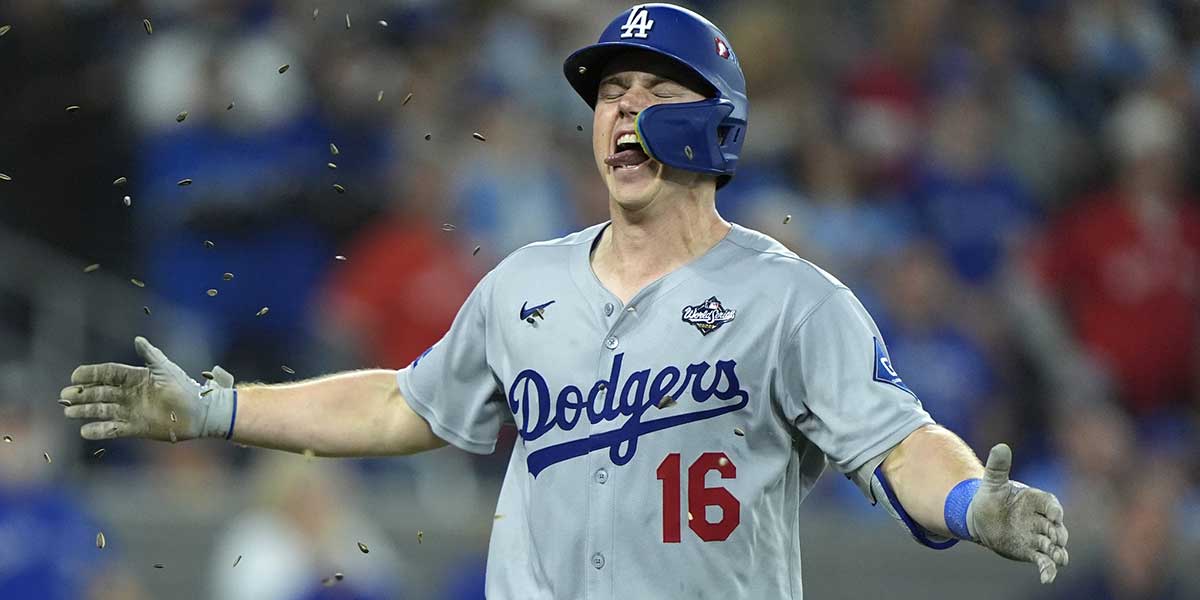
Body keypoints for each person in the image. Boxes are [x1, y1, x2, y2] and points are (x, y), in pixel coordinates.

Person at [58, 4, 1068, 598]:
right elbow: (405, 405)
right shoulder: (525, 283)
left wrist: (978, 500)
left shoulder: (794, 302)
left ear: (719, 127)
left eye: (651, 93)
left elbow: (899, 443)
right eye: (610, 94)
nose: (622, 112)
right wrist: (220, 409)